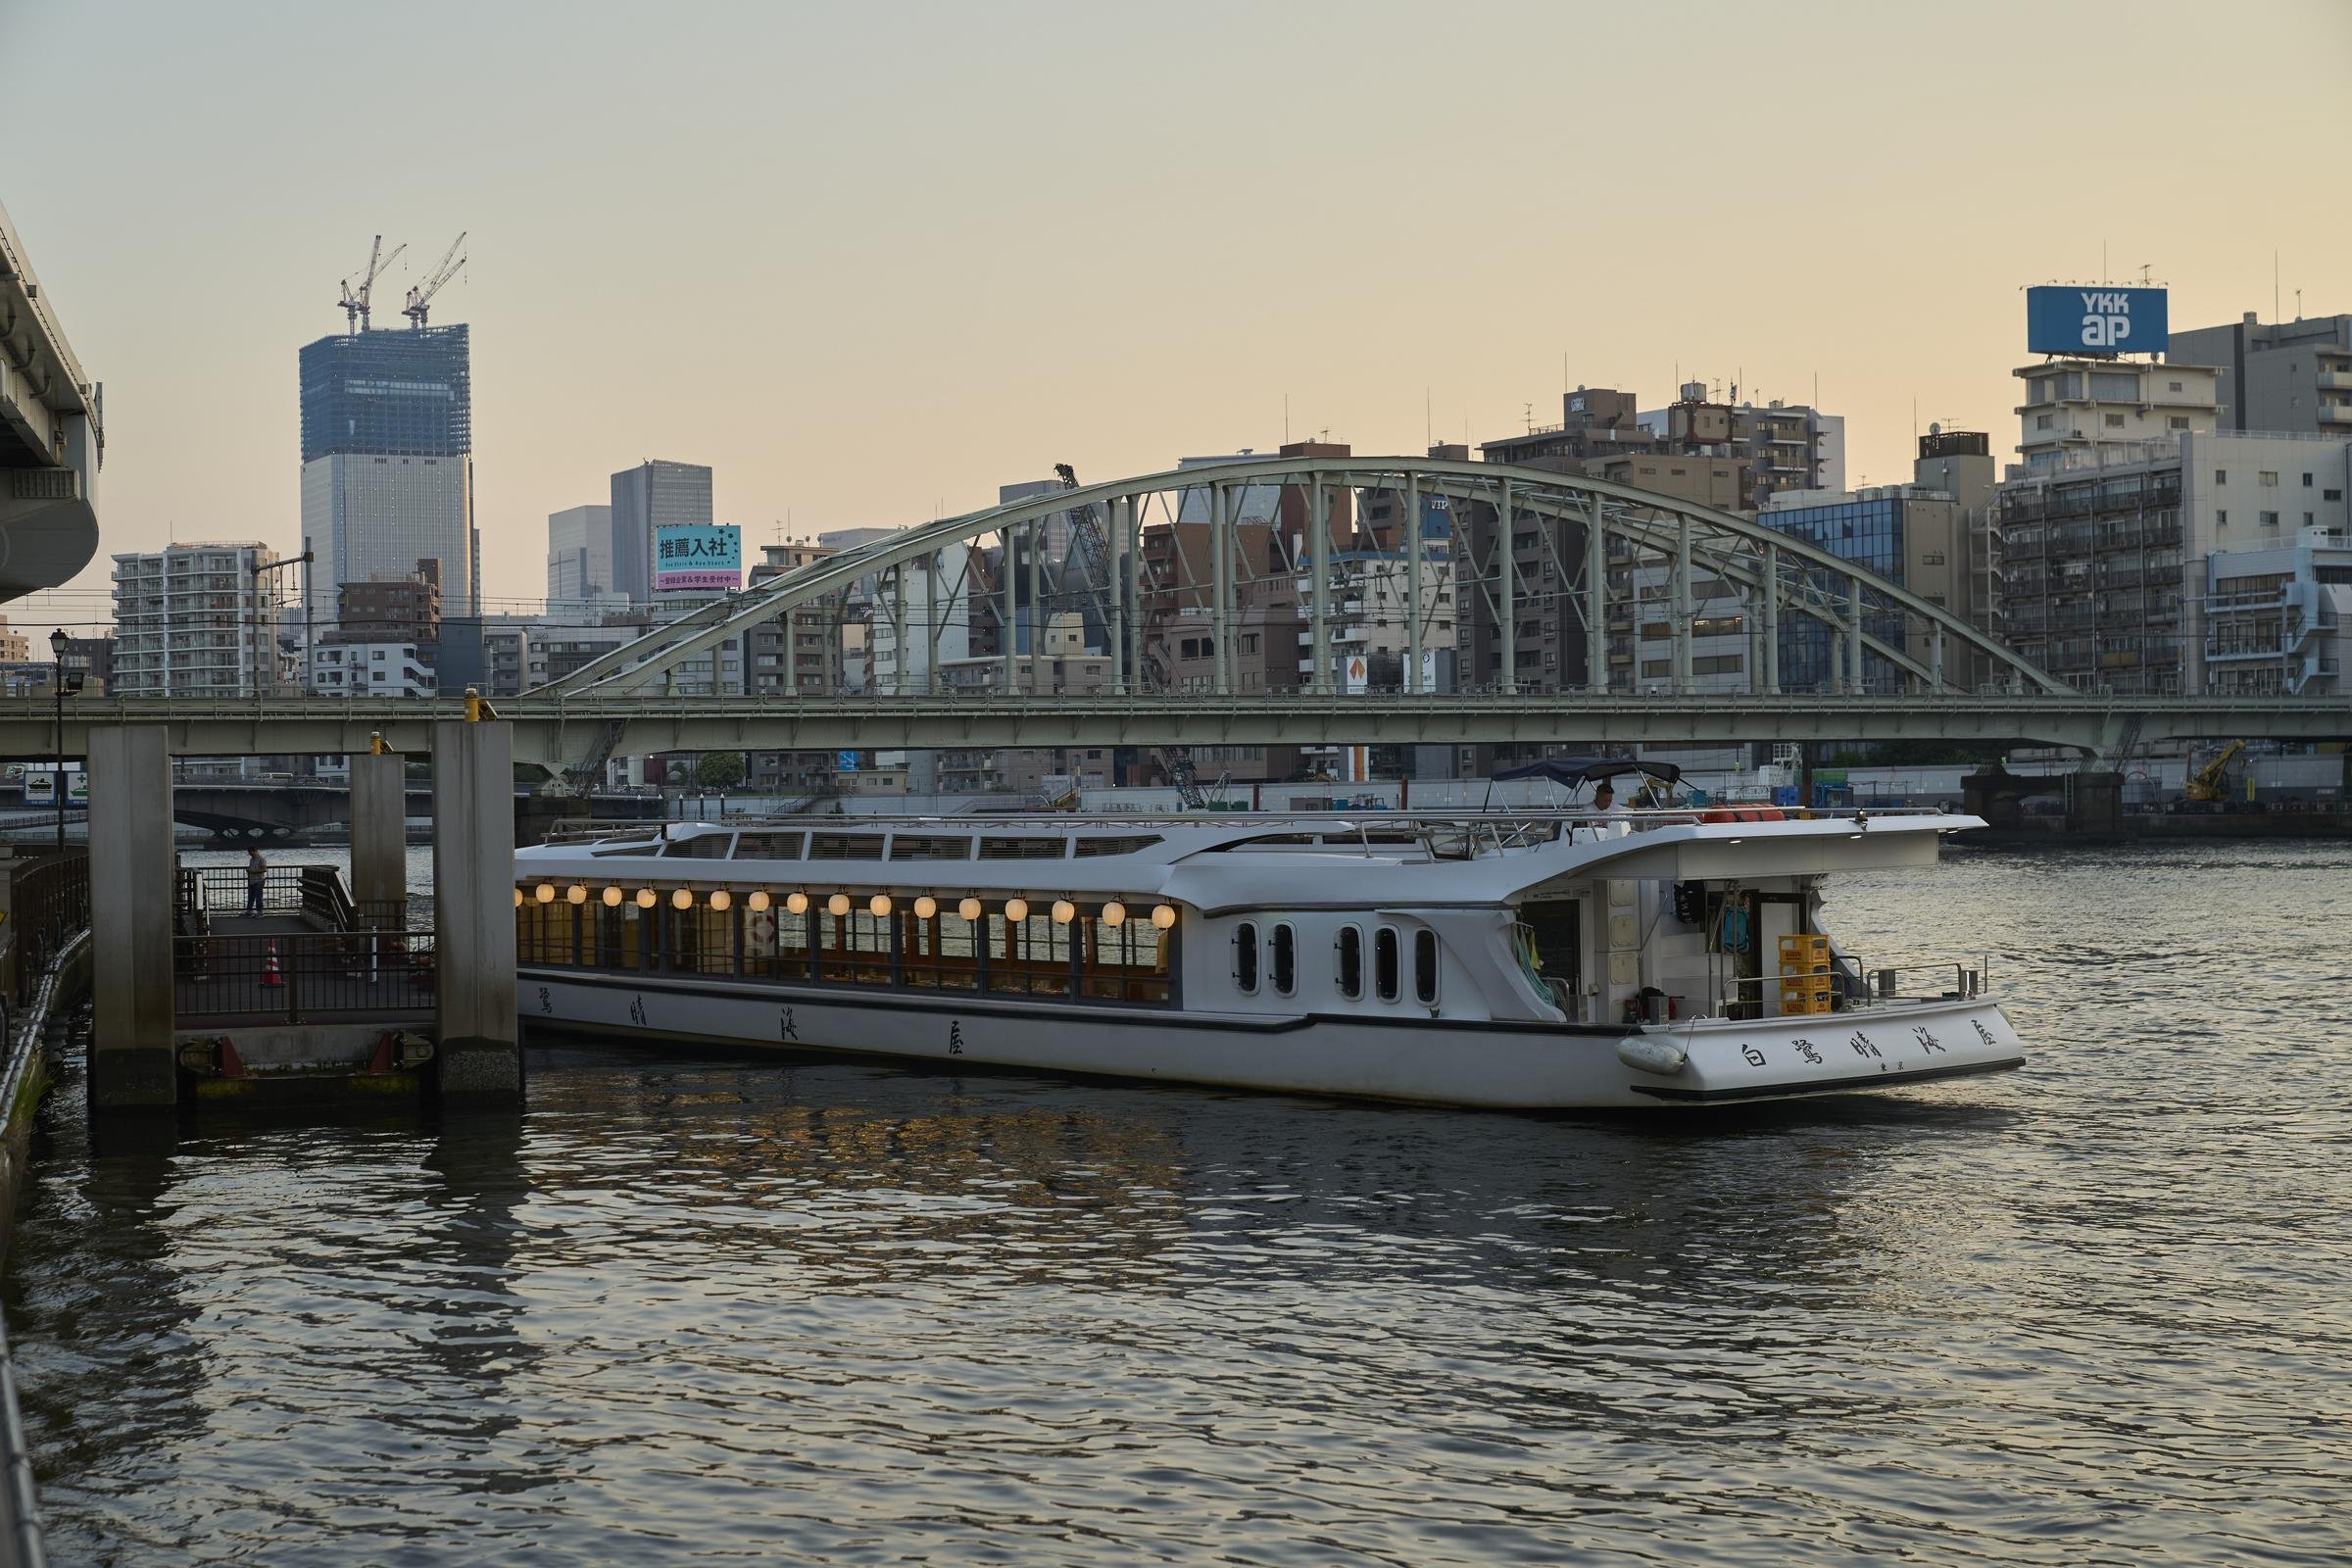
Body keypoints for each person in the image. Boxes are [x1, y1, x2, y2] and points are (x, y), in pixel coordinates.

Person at [244, 846, 267, 915]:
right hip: (252, 880)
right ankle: (249, 911)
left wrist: (253, 871)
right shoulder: (251, 860)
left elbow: (264, 869)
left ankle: (260, 912)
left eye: (251, 853)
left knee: (258, 897)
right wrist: (249, 870)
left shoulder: (261, 859)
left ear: (255, 851)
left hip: (259, 880)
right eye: (249, 853)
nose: (250, 854)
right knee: (251, 896)